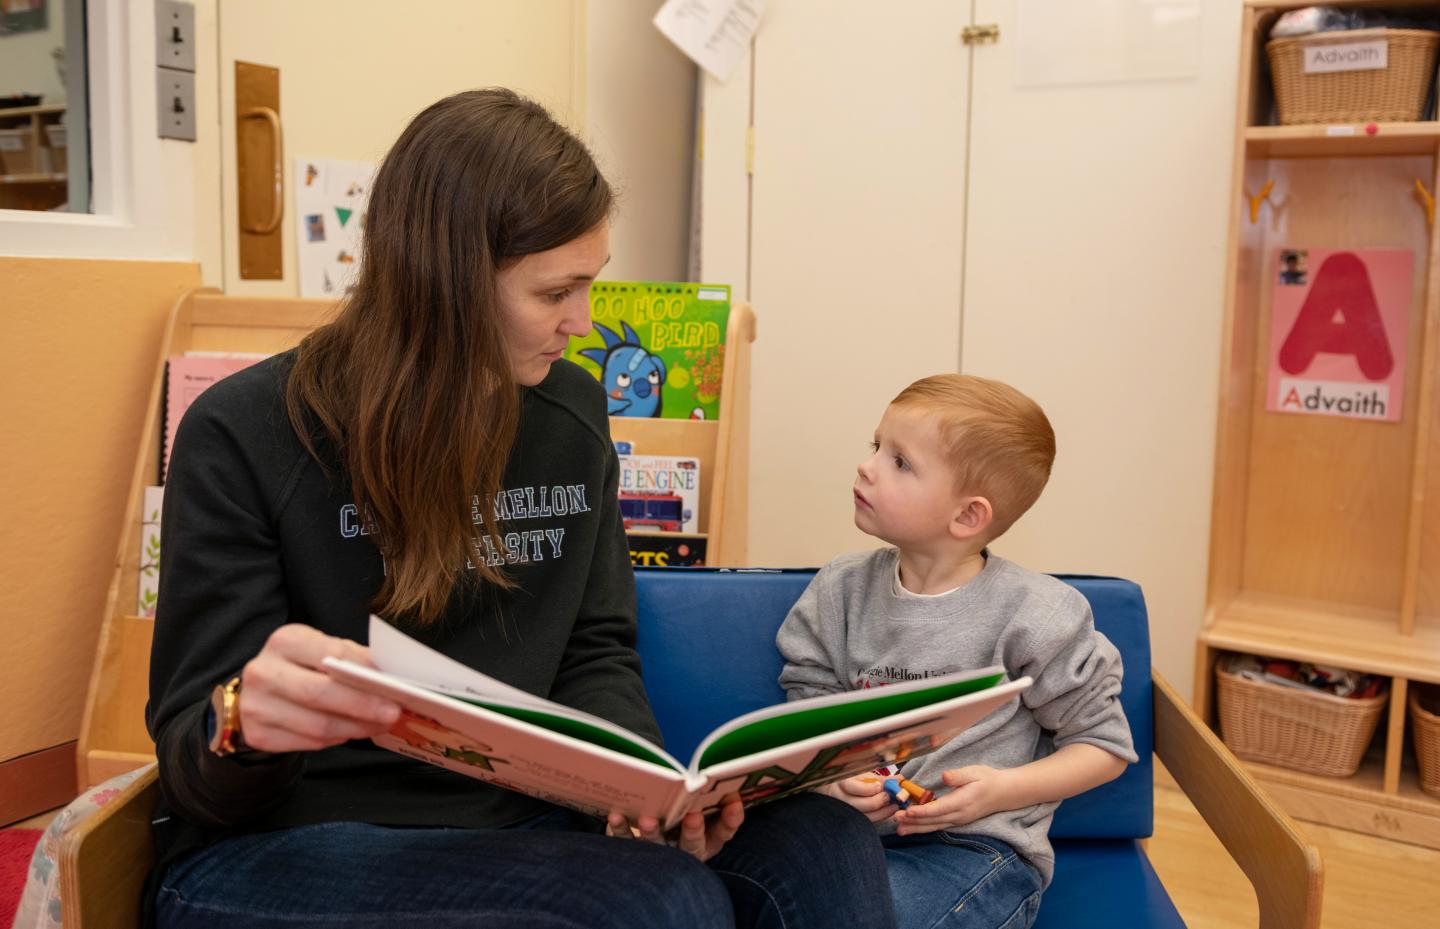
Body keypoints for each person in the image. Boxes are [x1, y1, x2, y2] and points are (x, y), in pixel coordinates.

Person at [146, 88, 896, 929]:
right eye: (554, 293)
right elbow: (188, 757)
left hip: (523, 821)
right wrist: (245, 722)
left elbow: (595, 646)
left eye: (589, 286)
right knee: (660, 902)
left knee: (823, 839)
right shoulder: (246, 431)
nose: (581, 323)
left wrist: (638, 795)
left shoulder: (570, 412)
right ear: (447, 283)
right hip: (295, 841)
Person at [776, 374, 1137, 929]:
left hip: (976, 852)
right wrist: (832, 779)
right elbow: (812, 709)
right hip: (847, 840)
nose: (867, 466)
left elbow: (1104, 746)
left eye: (900, 462)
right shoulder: (840, 589)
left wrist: (1001, 791)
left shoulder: (1037, 614)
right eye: (877, 447)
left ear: (968, 516)